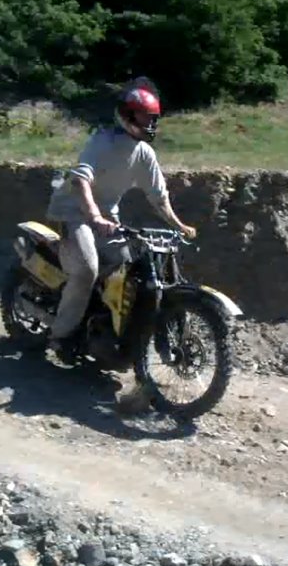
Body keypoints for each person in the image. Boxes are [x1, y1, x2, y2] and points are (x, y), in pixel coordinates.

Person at [46, 77, 196, 359]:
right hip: (73, 211)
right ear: (127, 115)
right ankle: (60, 336)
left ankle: (100, 322)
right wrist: (94, 216)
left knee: (128, 268)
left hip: (107, 218)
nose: (150, 123)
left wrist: (179, 225)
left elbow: (159, 197)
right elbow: (80, 180)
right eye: (145, 117)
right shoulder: (103, 141)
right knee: (87, 269)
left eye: (153, 118)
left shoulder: (144, 153)